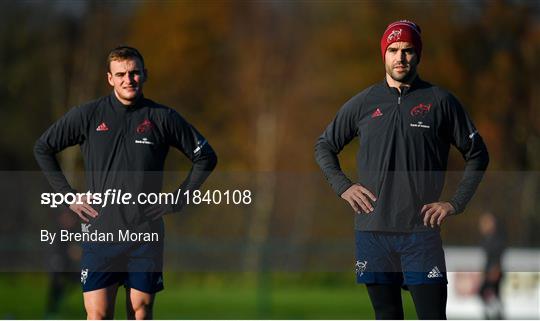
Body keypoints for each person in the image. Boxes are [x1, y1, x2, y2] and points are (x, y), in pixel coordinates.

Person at [314, 20, 489, 319]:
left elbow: (478, 154)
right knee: (388, 316)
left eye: (407, 50)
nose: (400, 57)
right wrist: (343, 186)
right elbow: (324, 146)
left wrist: (454, 203)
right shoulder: (364, 102)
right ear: (383, 54)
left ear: (418, 55)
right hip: (373, 233)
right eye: (393, 50)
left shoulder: (441, 102)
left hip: (420, 234)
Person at [34, 46, 217, 319]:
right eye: (121, 74)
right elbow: (43, 148)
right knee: (98, 314)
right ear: (110, 78)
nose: (128, 79)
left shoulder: (162, 118)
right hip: (100, 232)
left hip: (145, 234)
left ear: (145, 75)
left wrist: (177, 198)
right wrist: (68, 196)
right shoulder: (89, 115)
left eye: (134, 73)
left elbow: (206, 157)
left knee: (140, 312)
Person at [478, 211, 505, 319]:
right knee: (493, 294)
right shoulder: (487, 238)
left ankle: (495, 315)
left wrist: (495, 269)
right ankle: (495, 314)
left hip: (494, 270)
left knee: (486, 292)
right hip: (489, 270)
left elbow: (497, 255)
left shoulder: (497, 238)